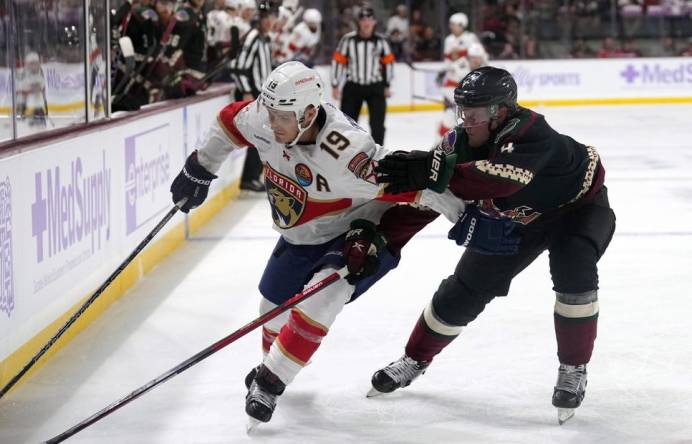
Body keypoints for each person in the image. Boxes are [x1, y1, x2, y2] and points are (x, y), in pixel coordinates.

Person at [169, 61, 472, 429]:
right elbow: (230, 121)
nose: (270, 122)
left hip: (353, 232)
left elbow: (415, 186)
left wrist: (466, 219)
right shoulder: (264, 117)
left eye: (282, 116)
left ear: (309, 113)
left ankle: (271, 381)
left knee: (324, 295)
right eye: (269, 112)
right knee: (271, 308)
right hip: (298, 236)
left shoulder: (345, 153)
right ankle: (274, 361)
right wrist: (201, 166)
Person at [369, 67, 616, 425]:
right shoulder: (455, 146)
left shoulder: (533, 133)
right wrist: (383, 240)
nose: (466, 120)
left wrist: (436, 172)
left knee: (574, 271)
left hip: (578, 211)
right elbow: (428, 201)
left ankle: (574, 367)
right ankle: (415, 358)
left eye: (476, 113)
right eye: (462, 111)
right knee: (466, 288)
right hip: (521, 218)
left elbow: (499, 180)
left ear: (501, 112)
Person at [230, 0, 277, 193]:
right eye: (266, 17)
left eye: (272, 17)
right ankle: (249, 178)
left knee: (265, 135)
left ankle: (255, 175)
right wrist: (248, 90)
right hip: (255, 94)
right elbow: (237, 67)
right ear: (260, 17)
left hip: (264, 94)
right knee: (259, 135)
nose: (269, 21)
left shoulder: (266, 39)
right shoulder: (254, 37)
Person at [331, 6, 395, 146]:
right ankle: (347, 154)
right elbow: (338, 62)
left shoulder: (381, 42)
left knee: (378, 125)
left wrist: (387, 85)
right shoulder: (348, 40)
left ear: (374, 22)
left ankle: (378, 157)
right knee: (347, 124)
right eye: (363, 19)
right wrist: (335, 84)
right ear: (359, 22)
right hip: (353, 86)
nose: (366, 23)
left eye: (369, 19)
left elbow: (388, 64)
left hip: (375, 87)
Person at [437, 12, 480, 137]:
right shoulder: (449, 40)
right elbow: (447, 60)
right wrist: (442, 71)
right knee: (449, 114)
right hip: (451, 83)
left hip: (466, 85)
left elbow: (477, 57)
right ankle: (443, 141)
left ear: (462, 25)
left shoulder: (471, 38)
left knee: (466, 116)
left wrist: (460, 53)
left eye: (454, 24)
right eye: (451, 24)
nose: (451, 27)